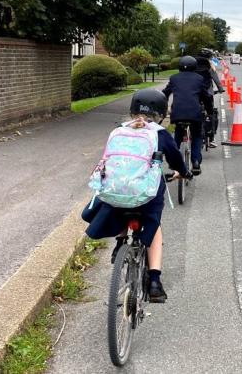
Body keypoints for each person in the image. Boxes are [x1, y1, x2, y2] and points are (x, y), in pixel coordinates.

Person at [82, 89, 191, 303]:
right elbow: (176, 160)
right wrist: (183, 172)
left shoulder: (119, 131)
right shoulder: (160, 134)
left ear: (132, 110)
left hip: (114, 192)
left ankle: (120, 243)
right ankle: (155, 283)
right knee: (154, 227)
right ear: (161, 113)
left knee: (120, 202)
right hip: (146, 195)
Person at [163, 56, 213, 175]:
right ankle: (195, 161)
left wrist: (162, 107)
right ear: (194, 66)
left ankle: (174, 161)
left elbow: (165, 93)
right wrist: (209, 112)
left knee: (178, 136)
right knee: (196, 136)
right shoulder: (199, 79)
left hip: (177, 114)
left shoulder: (174, 78)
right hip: (194, 114)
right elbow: (206, 98)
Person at [195, 49, 225, 148]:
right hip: (207, 92)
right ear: (209, 57)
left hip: (194, 92)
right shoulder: (209, 65)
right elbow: (215, 77)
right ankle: (211, 137)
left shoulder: (192, 63)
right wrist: (220, 88)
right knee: (210, 112)